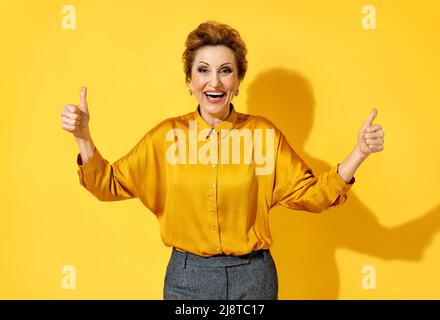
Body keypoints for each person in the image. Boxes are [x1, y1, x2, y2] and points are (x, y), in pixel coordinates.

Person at [60, 21, 384, 300]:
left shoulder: (263, 135)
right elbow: (108, 185)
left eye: (225, 71)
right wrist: (83, 136)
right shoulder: (166, 137)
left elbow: (313, 195)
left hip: (253, 278)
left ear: (238, 80)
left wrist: (359, 152)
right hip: (188, 278)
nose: (214, 82)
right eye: (203, 70)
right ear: (189, 80)